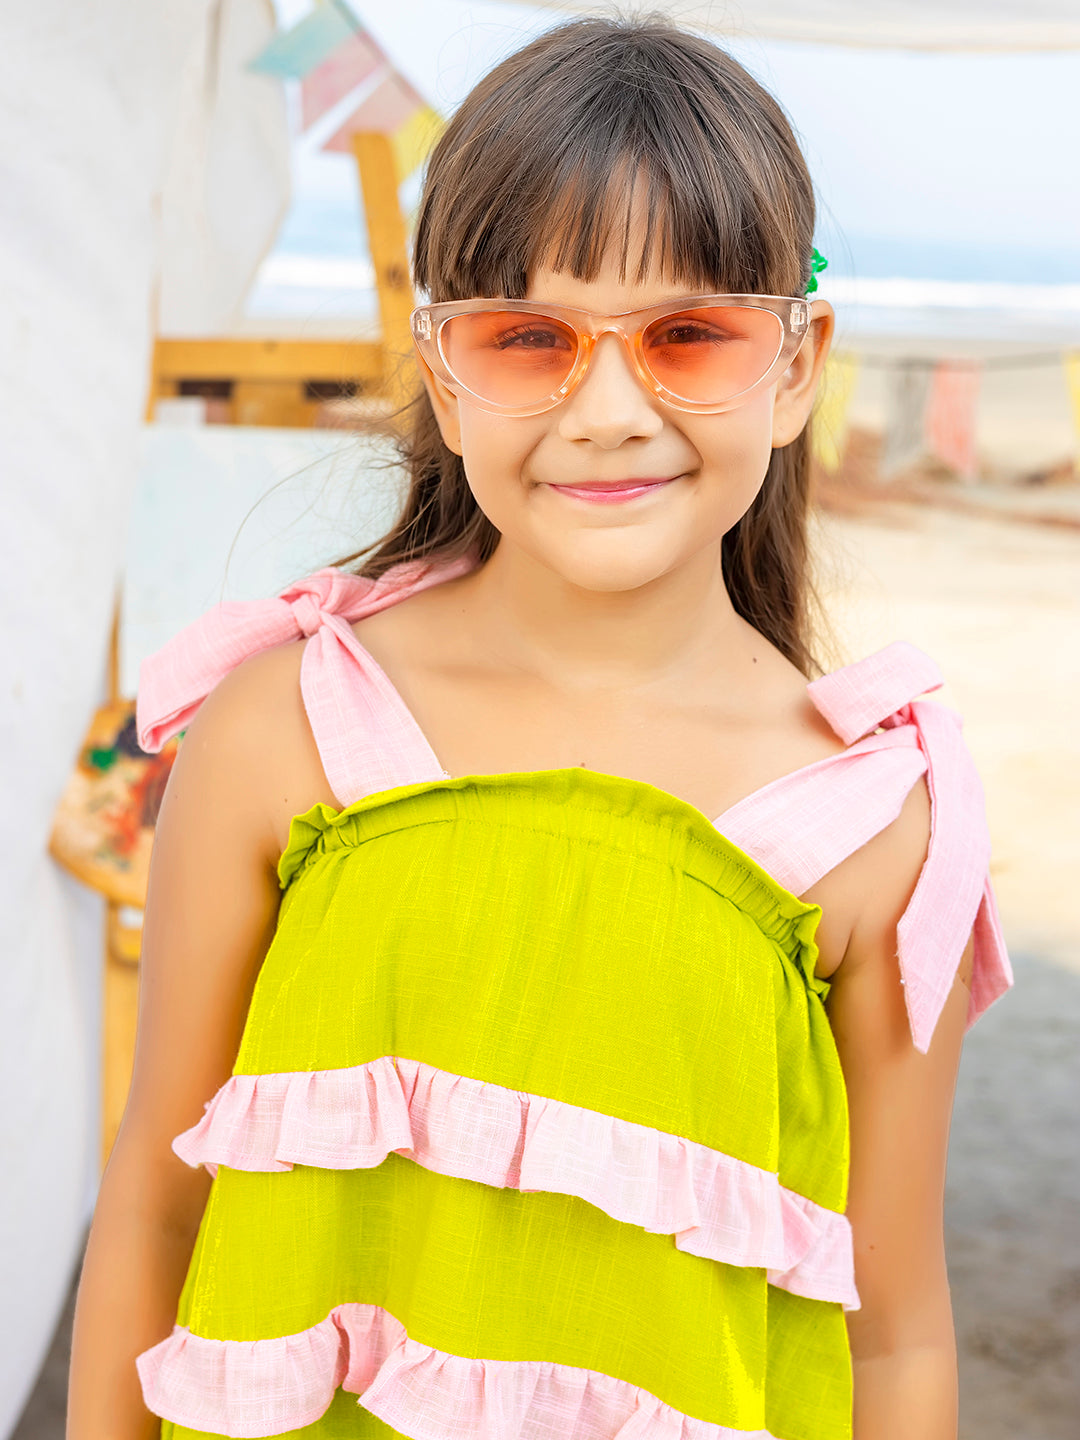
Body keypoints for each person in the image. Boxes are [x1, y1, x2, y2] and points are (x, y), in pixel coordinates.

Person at [66, 15, 1013, 1440]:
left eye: (690, 335)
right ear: (443, 371)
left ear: (801, 360)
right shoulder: (285, 728)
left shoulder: (879, 823)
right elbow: (152, 1210)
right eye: (530, 340)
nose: (612, 411)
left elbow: (891, 1344)